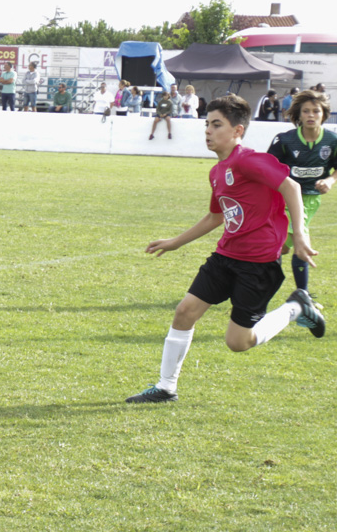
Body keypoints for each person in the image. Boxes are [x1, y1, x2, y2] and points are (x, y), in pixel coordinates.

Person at [126, 94, 324, 404]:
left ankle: (296, 307)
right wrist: (175, 242)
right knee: (184, 312)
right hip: (225, 257)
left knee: (238, 342)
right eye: (206, 124)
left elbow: (292, 186)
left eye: (217, 124)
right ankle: (166, 387)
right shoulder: (217, 171)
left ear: (238, 130)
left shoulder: (248, 159)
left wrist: (299, 234)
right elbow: (217, 215)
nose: (208, 131)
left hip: (258, 265)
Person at [268, 89, 337, 295]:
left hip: (311, 199)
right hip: (284, 197)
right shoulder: (284, 140)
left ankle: (265, 284)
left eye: (316, 111)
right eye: (306, 111)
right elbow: (268, 168)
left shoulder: (334, 141)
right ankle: (303, 296)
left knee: (281, 247)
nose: (311, 115)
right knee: (298, 238)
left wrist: (330, 181)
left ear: (324, 114)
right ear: (298, 114)